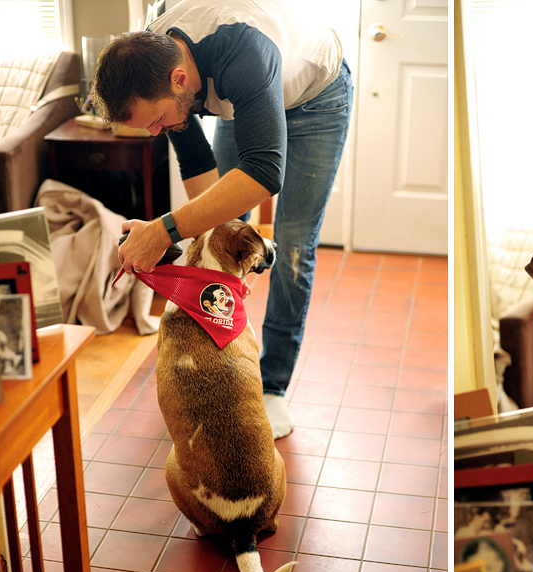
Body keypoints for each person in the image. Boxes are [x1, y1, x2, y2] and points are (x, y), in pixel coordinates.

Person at [92, 0, 353, 438]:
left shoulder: (243, 52)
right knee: (215, 237)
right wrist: (224, 262)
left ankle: (271, 386)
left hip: (315, 100)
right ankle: (223, 364)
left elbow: (264, 174)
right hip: (240, 98)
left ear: (180, 79)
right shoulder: (157, 56)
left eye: (156, 121)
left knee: (291, 245)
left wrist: (162, 231)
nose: (157, 134)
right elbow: (195, 159)